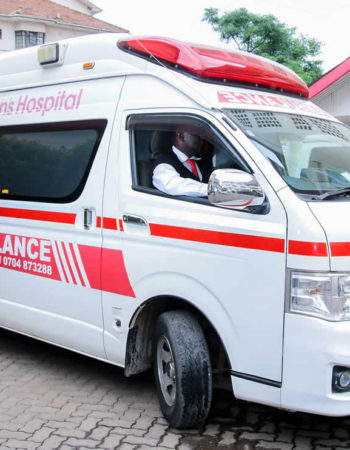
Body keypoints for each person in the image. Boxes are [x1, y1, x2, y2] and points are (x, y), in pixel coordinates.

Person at [152, 128, 213, 196]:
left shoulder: (204, 162)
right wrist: (211, 190)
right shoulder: (163, 163)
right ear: (181, 136)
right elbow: (173, 185)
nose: (202, 140)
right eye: (198, 135)